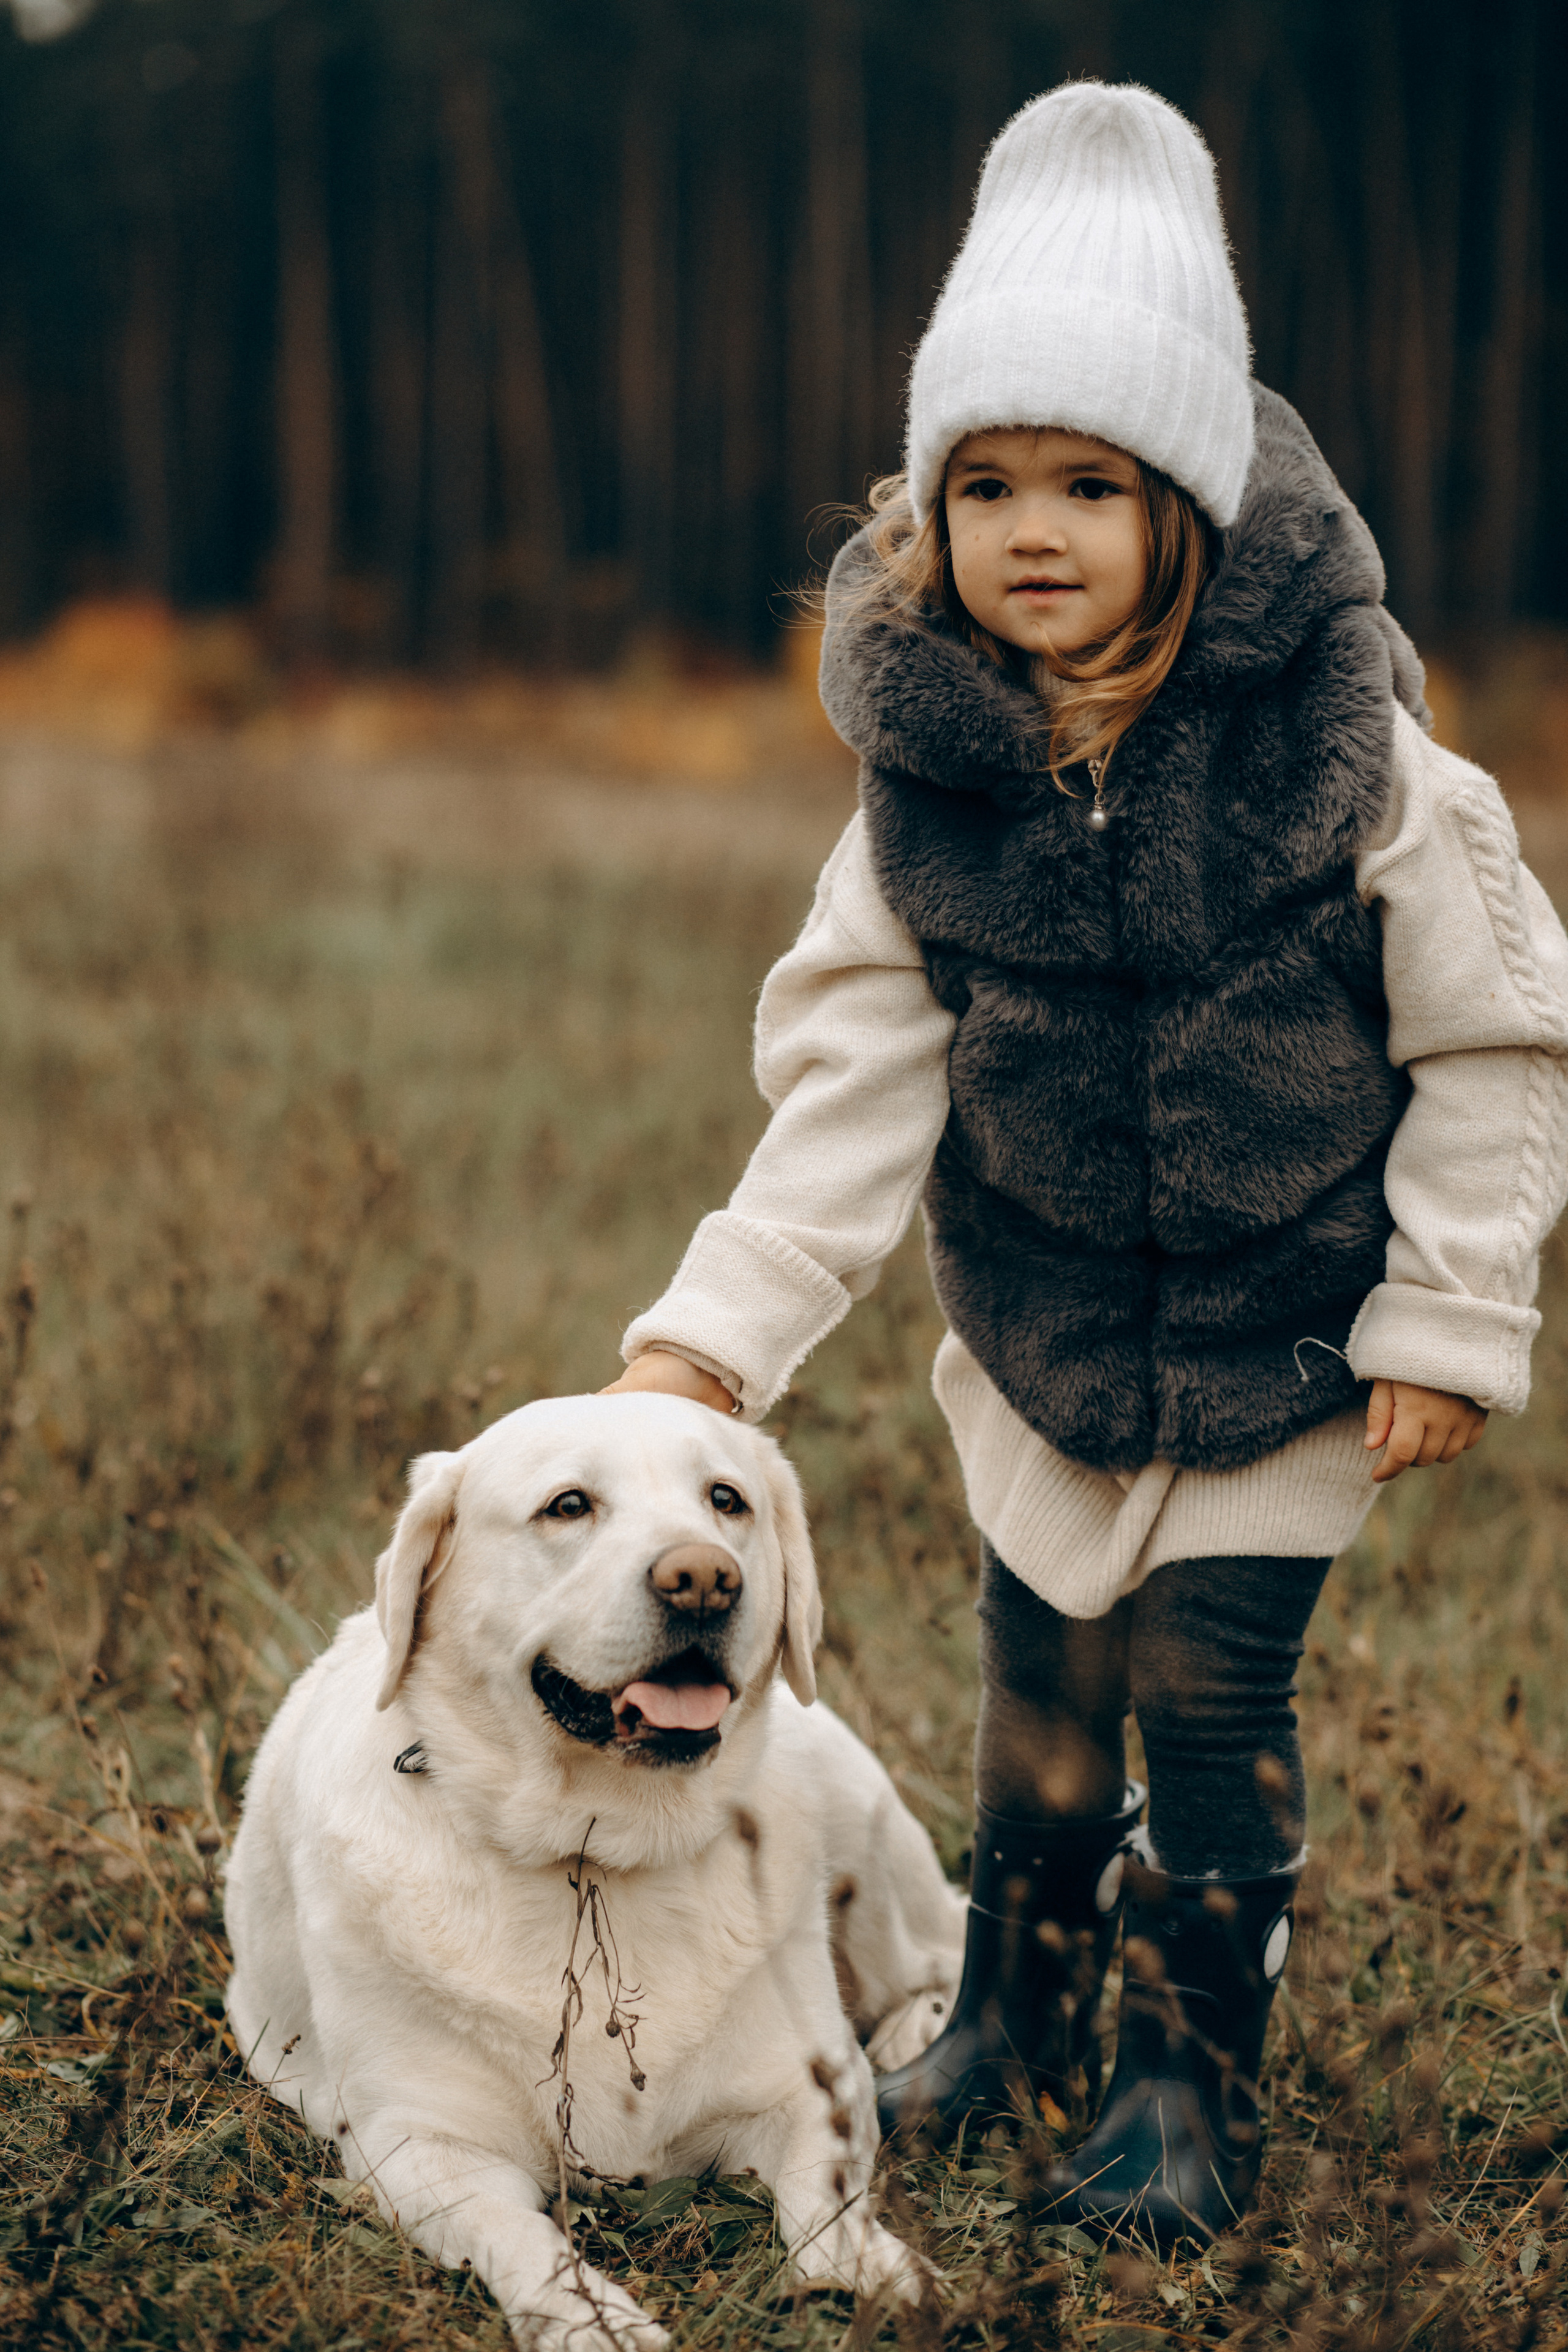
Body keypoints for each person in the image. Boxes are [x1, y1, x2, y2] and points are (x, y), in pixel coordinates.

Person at [603, 83, 1568, 2244]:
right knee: (1043, 1680)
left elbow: (1498, 1034)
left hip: (1292, 1327)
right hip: (1042, 1331)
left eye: (1092, 484)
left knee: (1207, 1697)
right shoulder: (928, 795)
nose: (1034, 527)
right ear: (928, 509)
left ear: (1192, 506)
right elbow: (855, 1080)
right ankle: (1017, 2015)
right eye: (986, 484)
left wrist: (1446, 1312)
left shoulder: (1353, 756)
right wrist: (713, 1343)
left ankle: (1178, 2077)